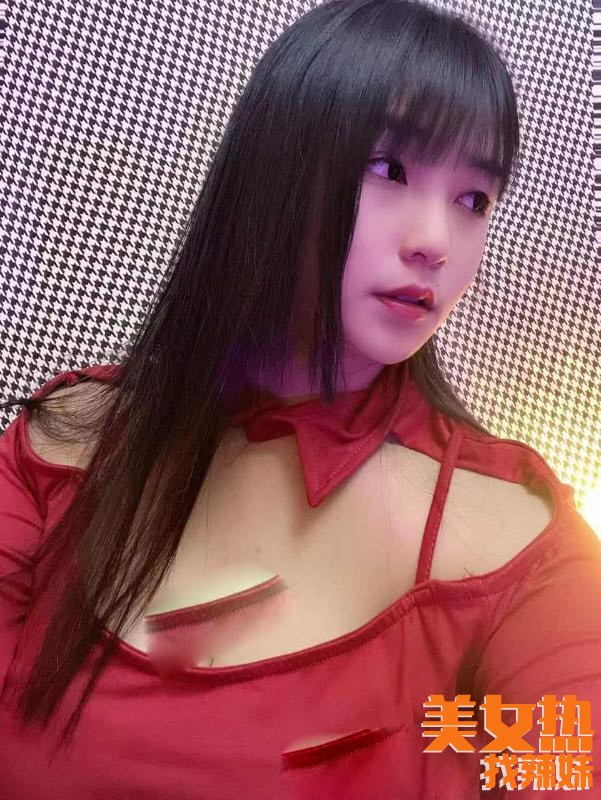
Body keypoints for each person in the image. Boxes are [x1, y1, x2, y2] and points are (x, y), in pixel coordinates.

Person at [0, 0, 599, 797]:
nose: (436, 243)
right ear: (270, 170)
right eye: (388, 169)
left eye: (474, 200)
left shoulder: (517, 536)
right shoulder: (66, 439)